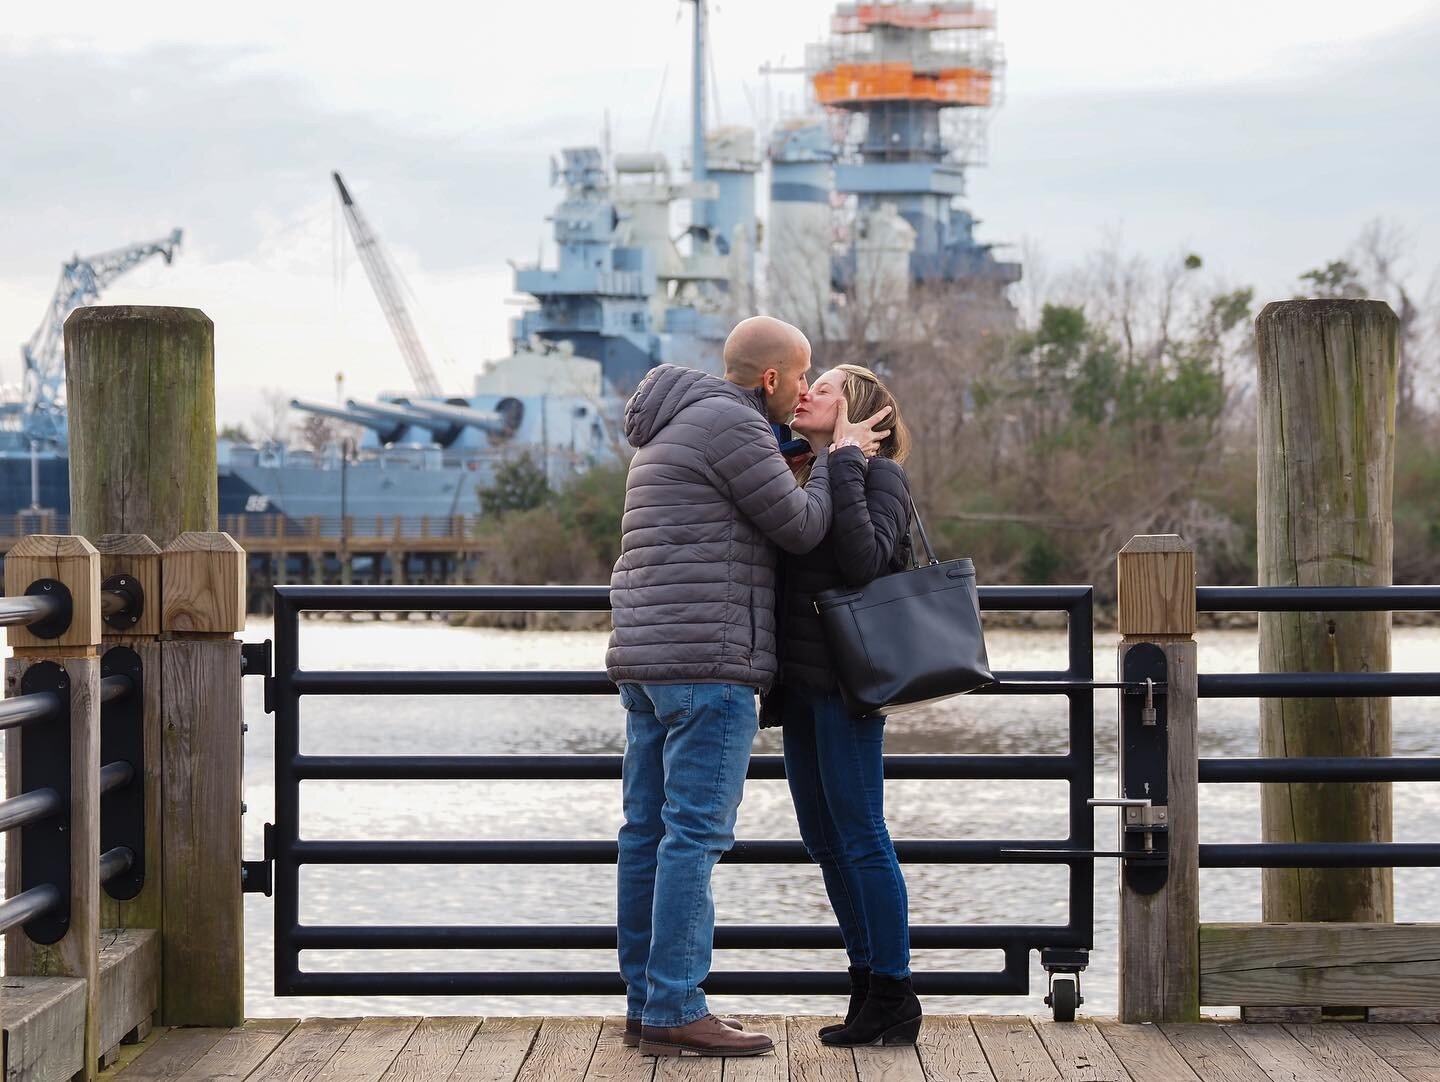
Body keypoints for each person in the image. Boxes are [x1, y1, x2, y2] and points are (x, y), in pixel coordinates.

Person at [607, 317, 891, 1058]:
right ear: (771, 379)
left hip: (645, 661)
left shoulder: (674, 424)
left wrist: (808, 453)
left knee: (645, 832)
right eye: (801, 378)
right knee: (693, 836)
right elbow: (800, 526)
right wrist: (843, 457)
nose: (803, 390)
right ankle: (675, 1006)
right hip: (708, 663)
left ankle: (646, 1002)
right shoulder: (733, 428)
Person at [768, 364, 922, 1047]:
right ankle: (865, 985)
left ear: (858, 410)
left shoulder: (879, 474)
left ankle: (894, 991)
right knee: (824, 840)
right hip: (801, 686)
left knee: (862, 836)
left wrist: (851, 462)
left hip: (847, 685)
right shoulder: (806, 469)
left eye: (823, 388)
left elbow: (864, 561)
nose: (805, 393)